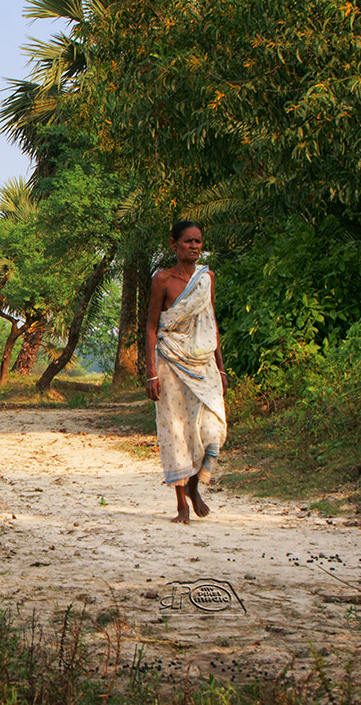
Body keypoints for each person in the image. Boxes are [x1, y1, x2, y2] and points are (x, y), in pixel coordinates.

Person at [144, 221, 228, 524]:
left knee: (212, 431)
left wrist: (220, 365)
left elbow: (211, 323)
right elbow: (152, 326)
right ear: (174, 244)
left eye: (198, 242)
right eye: (188, 241)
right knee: (176, 430)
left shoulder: (207, 279)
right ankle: (181, 502)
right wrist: (151, 373)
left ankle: (194, 486)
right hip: (169, 361)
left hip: (203, 363)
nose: (194, 246)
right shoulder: (163, 280)